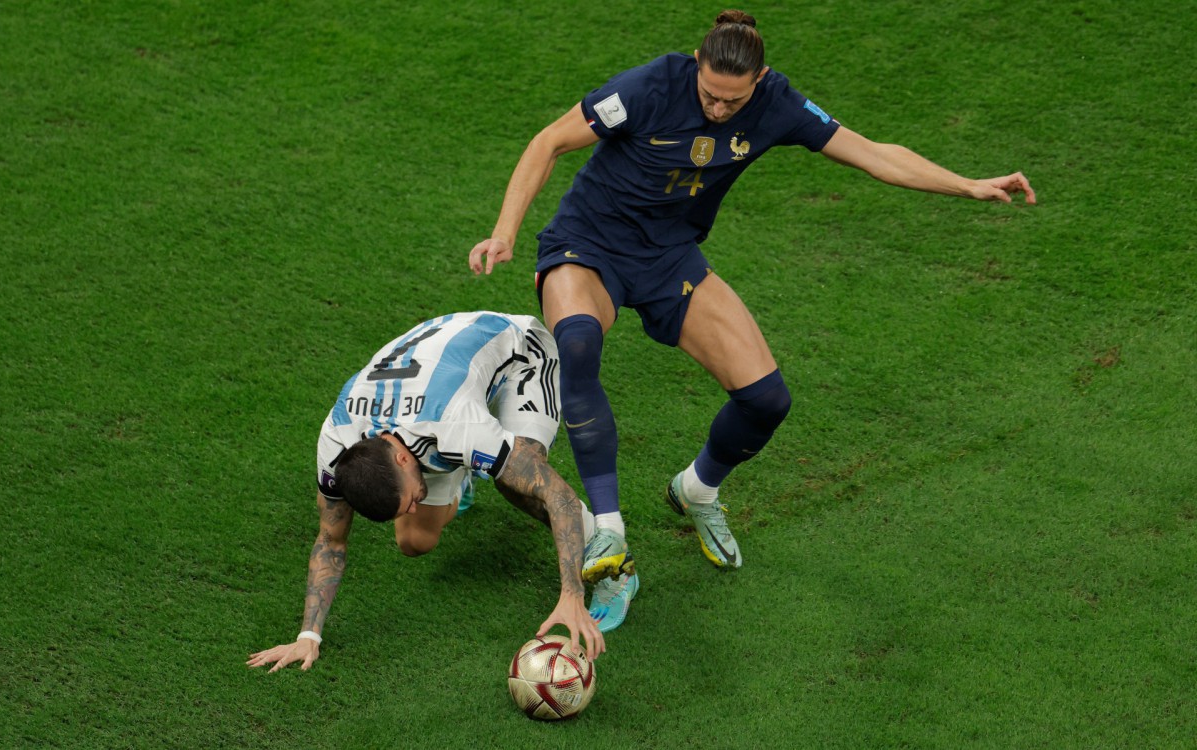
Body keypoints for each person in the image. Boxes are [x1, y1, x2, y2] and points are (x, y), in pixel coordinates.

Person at [468, 10, 1036, 630]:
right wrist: (504, 232)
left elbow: (872, 154)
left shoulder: (775, 103)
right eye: (709, 93)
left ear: (758, 79)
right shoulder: (649, 87)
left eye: (731, 99)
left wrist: (968, 185)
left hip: (669, 260)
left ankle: (698, 490)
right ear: (696, 63)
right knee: (576, 346)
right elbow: (549, 141)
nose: (717, 107)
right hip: (588, 246)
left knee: (766, 399)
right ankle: (608, 529)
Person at [247, 311, 631, 672]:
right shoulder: (337, 440)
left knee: (518, 485)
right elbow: (331, 540)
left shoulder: (456, 425)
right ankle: (468, 466)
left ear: (398, 459)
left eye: (407, 500)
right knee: (414, 540)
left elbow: (558, 495)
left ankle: (616, 568)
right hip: (435, 403)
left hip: (519, 353)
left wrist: (571, 593)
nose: (412, 507)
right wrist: (308, 635)